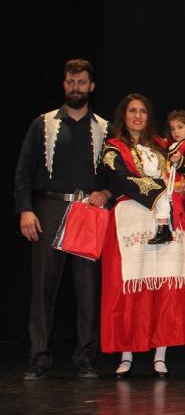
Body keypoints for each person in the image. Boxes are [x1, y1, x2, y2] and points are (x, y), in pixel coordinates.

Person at [15, 59, 110, 380]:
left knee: (87, 288)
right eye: (71, 82)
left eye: (81, 82)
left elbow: (116, 173)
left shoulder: (104, 128)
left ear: (91, 86)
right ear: (64, 84)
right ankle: (39, 357)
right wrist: (25, 209)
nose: (76, 88)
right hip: (49, 208)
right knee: (43, 286)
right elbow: (23, 170)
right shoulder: (43, 124)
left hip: (87, 211)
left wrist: (107, 193)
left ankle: (86, 358)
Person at [100, 93, 185, 378]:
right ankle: (126, 353)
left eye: (143, 111)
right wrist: (163, 189)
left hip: (166, 219)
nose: (138, 116)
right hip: (131, 221)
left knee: (164, 287)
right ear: (124, 115)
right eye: (132, 111)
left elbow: (182, 173)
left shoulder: (163, 145)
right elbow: (119, 179)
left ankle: (161, 354)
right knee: (128, 289)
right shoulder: (113, 147)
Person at [146, 110, 185, 245]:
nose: (175, 132)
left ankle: (167, 231)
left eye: (180, 127)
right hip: (171, 183)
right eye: (173, 128)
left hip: (180, 185)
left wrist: (179, 161)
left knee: (169, 205)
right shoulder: (173, 144)